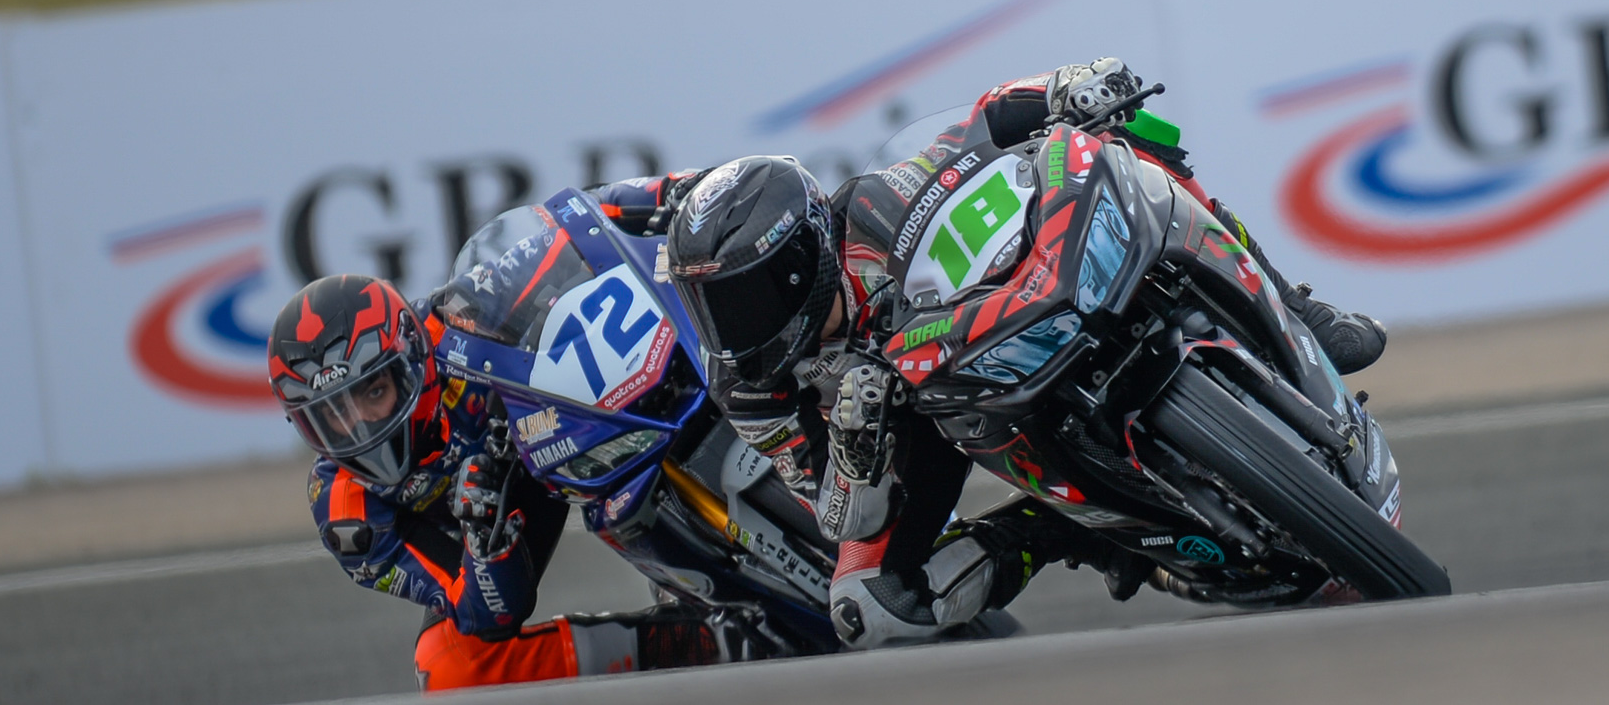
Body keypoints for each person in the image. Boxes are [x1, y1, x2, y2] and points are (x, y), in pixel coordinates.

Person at [664, 58, 1388, 648]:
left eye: (739, 298)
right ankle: (1048, 531)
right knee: (866, 608)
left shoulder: (873, 207)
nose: (729, 326)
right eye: (709, 303)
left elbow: (982, 124)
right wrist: (856, 452)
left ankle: (1293, 305)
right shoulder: (750, 388)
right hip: (910, 438)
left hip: (980, 331)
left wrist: (1064, 87)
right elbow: (839, 518)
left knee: (1128, 131)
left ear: (799, 258)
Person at [267, 182, 761, 692]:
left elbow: (575, 224)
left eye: (373, 392)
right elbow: (486, 613)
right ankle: (696, 644)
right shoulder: (348, 516)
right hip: (498, 523)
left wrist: (677, 193)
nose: (362, 426)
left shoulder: (453, 320)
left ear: (410, 359)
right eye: (331, 417)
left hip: (558, 427)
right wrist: (485, 544)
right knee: (449, 667)